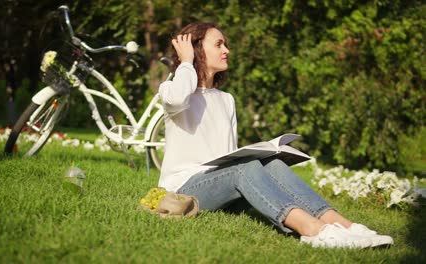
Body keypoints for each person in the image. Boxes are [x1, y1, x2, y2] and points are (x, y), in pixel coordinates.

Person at [157, 22, 393, 249]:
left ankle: (345, 226)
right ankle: (315, 232)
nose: (227, 50)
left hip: (224, 190)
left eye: (225, 44)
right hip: (184, 191)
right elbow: (178, 98)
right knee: (244, 169)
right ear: (196, 48)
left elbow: (227, 155)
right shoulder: (171, 90)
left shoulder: (226, 99)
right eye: (219, 44)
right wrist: (186, 61)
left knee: (273, 164)